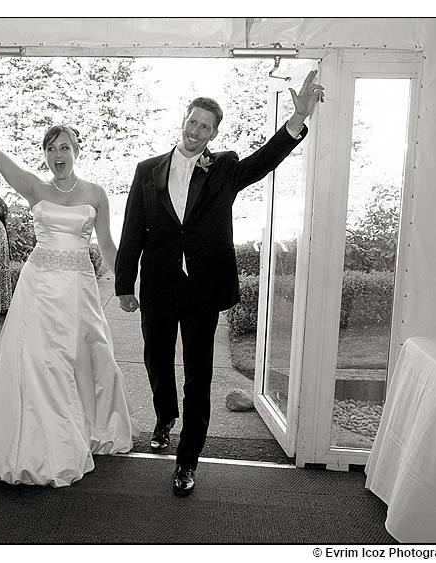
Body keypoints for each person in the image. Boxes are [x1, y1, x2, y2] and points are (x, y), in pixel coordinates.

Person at [115, 70, 324, 497]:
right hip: (157, 286)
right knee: (156, 359)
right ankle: (164, 416)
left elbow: (263, 161)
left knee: (199, 374)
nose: (196, 131)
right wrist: (124, 283)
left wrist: (296, 120)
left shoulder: (224, 167)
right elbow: (133, 227)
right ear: (183, 121)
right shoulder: (146, 170)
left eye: (205, 127)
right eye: (192, 122)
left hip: (201, 291)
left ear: (213, 134)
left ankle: (187, 461)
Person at [0, 100, 137, 487]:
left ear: (76, 151)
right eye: (50, 148)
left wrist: (127, 285)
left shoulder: (96, 194)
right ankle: (34, 442)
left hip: (78, 291)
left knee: (83, 358)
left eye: (64, 147)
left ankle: (84, 428)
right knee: (35, 361)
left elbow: (109, 245)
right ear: (44, 154)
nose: (57, 155)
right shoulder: (33, 186)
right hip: (39, 288)